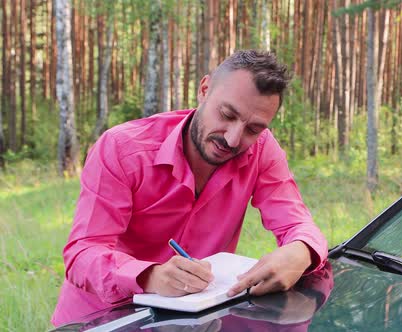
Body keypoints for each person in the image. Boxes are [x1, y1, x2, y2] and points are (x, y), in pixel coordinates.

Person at [51, 50, 328, 326]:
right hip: (105, 318)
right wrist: (150, 276)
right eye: (226, 114)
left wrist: (300, 251)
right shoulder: (122, 149)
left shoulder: (262, 149)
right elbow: (82, 254)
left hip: (197, 320)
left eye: (253, 129)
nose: (233, 139)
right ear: (204, 90)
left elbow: (298, 224)